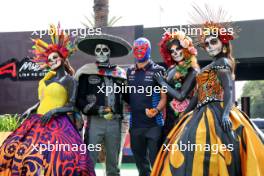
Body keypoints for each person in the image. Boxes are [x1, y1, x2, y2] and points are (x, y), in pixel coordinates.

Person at [151, 6, 264, 176]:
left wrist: (225, 113)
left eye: (214, 42)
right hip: (200, 111)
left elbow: (228, 88)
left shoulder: (223, 62)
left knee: (214, 153)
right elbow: (198, 95)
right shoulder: (210, 66)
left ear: (223, 44)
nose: (210, 46)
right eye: (207, 43)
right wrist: (184, 115)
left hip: (216, 112)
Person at [0, 24, 95, 176]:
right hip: (38, 120)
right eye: (49, 59)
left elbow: (72, 106)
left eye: (55, 57)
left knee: (57, 157)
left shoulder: (70, 80)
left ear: (63, 57)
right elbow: (44, 99)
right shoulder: (47, 79)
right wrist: (32, 108)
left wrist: (54, 111)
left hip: (59, 124)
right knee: (13, 148)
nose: (52, 61)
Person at [75, 34, 132, 176]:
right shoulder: (86, 72)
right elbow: (79, 100)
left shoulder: (120, 73)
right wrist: (97, 110)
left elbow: (128, 97)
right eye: (98, 50)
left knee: (113, 161)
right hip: (95, 122)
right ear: (94, 52)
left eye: (104, 50)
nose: (101, 53)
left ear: (109, 52)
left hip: (115, 123)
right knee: (90, 157)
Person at [126, 37, 167, 176]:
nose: (139, 51)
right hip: (135, 125)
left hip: (154, 125)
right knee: (141, 164)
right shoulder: (129, 71)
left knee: (157, 162)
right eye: (136, 49)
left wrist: (156, 110)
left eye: (142, 48)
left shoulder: (158, 70)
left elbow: (164, 98)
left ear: (148, 50)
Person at [154, 31, 200, 138]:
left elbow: (181, 96)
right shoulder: (171, 69)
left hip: (186, 120)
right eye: (172, 51)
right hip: (169, 120)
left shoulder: (193, 70)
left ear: (185, 49)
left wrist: (161, 82)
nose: (175, 53)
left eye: (178, 49)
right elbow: (165, 94)